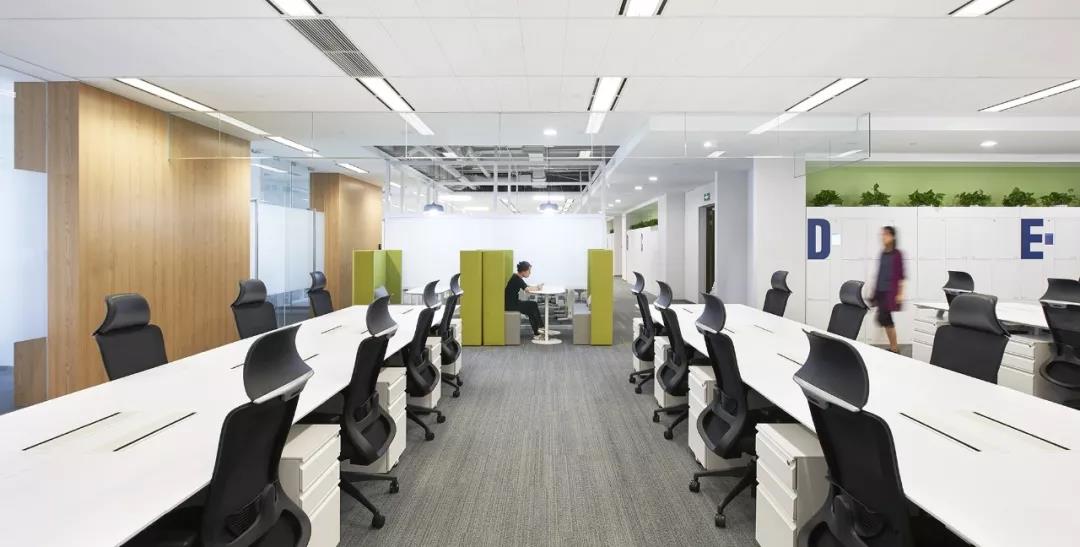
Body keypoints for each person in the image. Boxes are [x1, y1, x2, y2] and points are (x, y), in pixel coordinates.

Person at [872, 226, 905, 353]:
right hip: (880, 291)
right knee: (885, 320)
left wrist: (900, 294)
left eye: (886, 234)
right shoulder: (882, 253)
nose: (883, 237)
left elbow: (901, 275)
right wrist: (874, 292)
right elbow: (879, 273)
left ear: (892, 236)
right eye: (882, 234)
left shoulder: (897, 254)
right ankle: (894, 347)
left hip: (889, 293)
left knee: (886, 319)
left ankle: (895, 348)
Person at [505, 261, 547, 341]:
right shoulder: (517, 279)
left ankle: (538, 333)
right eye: (529, 271)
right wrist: (538, 288)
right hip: (511, 305)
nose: (530, 273)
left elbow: (526, 286)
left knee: (531, 309)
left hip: (512, 303)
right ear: (523, 271)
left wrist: (536, 287)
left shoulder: (516, 277)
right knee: (533, 305)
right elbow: (527, 289)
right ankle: (541, 328)